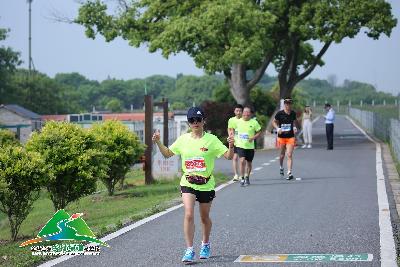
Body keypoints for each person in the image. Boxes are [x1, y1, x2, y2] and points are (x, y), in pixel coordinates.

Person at [152, 107, 234, 264]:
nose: (195, 123)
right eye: (192, 120)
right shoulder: (183, 139)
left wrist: (231, 146)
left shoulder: (212, 140)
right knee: (189, 213)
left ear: (204, 121)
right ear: (189, 123)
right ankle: (189, 250)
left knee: (204, 217)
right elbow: (167, 154)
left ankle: (205, 243)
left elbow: (228, 157)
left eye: (198, 120)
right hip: (188, 182)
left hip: (206, 184)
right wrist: (157, 142)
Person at [234, 106, 262, 186]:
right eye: (245, 112)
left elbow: (259, 131)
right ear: (242, 113)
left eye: (248, 112)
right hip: (240, 145)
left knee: (249, 163)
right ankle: (242, 178)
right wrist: (233, 138)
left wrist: (253, 137)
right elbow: (233, 131)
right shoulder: (238, 122)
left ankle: (247, 176)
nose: (246, 113)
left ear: (250, 114)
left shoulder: (254, 122)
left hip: (250, 146)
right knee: (242, 161)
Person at [273, 98, 299, 180]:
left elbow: (294, 121)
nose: (288, 105)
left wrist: (294, 127)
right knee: (281, 155)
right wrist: (277, 128)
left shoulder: (293, 113)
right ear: (284, 104)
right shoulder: (279, 113)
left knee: (289, 154)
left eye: (289, 103)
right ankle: (281, 167)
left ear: (291, 104)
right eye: (287, 103)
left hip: (290, 136)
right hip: (281, 137)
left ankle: (289, 172)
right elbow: (274, 122)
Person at [227, 104, 243, 181]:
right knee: (235, 158)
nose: (238, 112)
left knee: (242, 159)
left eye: (240, 111)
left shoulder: (244, 120)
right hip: (235, 141)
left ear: (242, 111)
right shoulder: (231, 120)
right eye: (237, 110)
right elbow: (230, 129)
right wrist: (230, 137)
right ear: (234, 111)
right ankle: (236, 174)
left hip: (242, 142)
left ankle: (241, 174)